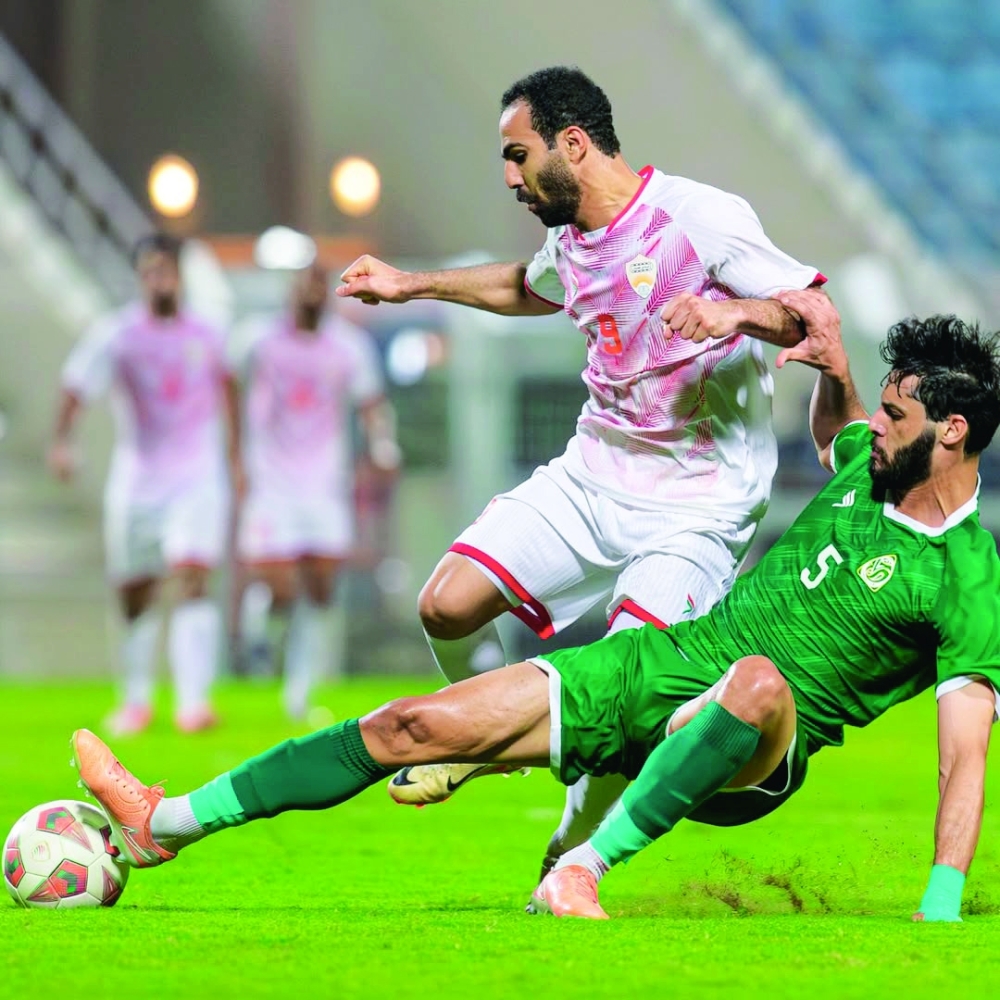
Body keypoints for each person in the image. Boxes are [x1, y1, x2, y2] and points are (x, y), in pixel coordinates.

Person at [71, 301, 1000, 923]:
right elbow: (830, 427)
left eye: (895, 417)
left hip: (762, 747)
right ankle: (166, 823)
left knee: (753, 683)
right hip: (662, 663)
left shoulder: (967, 578)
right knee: (409, 726)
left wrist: (942, 903)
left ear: (951, 432)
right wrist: (834, 368)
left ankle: (581, 869)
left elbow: (964, 756)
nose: (875, 428)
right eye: (879, 412)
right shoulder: (864, 471)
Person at [335, 65, 828, 875]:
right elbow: (527, 288)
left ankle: (572, 849)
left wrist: (734, 310)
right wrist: (409, 284)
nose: (509, 177)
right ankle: (481, 737)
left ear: (572, 143)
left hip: (698, 507)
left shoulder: (700, 218)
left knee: (626, 691)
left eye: (517, 155)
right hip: (595, 478)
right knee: (445, 606)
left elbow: (811, 310)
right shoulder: (572, 240)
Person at [50, 233, 237, 735]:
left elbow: (229, 388)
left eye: (167, 269)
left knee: (193, 577)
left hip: (198, 477)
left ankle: (193, 702)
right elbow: (75, 386)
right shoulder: (118, 334)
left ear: (180, 274)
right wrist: (63, 443)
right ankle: (136, 700)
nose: (160, 279)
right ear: (139, 276)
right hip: (138, 480)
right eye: (150, 270)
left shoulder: (210, 331)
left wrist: (237, 459)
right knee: (136, 592)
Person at [231, 261, 400, 719]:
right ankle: (261, 626)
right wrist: (235, 457)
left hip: (325, 483)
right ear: (288, 290)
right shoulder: (258, 340)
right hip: (271, 482)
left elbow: (371, 405)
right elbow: (226, 387)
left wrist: (383, 447)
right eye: (299, 283)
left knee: (322, 588)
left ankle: (298, 694)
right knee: (279, 583)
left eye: (315, 284)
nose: (307, 292)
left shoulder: (348, 346)